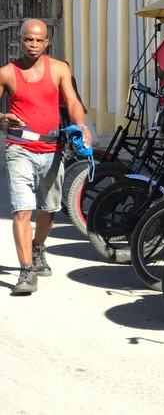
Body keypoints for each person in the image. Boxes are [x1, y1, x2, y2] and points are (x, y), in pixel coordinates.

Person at [0, 19, 91, 295]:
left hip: (52, 149)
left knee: (49, 208)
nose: (34, 45)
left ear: (47, 42)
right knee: (22, 209)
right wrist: (2, 117)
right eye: (29, 39)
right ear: (20, 40)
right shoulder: (7, 73)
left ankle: (38, 247)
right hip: (19, 148)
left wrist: (82, 125)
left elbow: (72, 101)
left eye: (39, 40)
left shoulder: (59, 69)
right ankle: (27, 271)